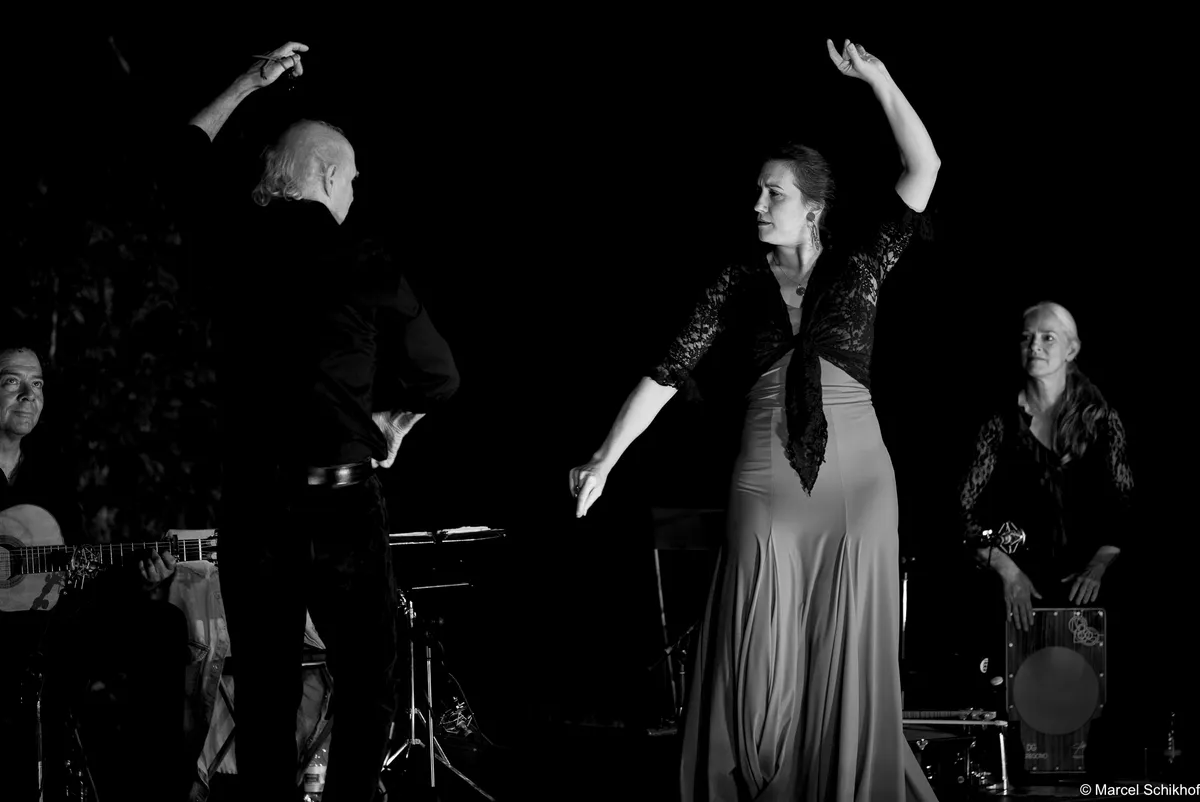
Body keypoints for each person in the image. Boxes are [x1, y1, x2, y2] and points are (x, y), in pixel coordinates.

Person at [570, 39, 940, 800]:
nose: (758, 205)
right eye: (758, 193)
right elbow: (667, 371)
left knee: (846, 640)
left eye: (774, 194)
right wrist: (605, 458)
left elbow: (924, 167)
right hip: (766, 472)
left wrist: (878, 78)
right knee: (754, 640)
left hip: (861, 478)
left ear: (814, 207)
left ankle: (841, 779)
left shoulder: (862, 262)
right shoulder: (736, 284)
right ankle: (753, 780)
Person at [170, 42, 461, 801]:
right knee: (368, 677)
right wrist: (392, 419)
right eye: (352, 179)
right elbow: (440, 377)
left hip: (253, 507)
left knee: (264, 688)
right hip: (340, 504)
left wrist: (248, 82)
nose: (355, 192)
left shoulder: (232, 241)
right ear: (327, 177)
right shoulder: (365, 258)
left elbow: (183, 154)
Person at [960, 301, 1133, 629]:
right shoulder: (998, 423)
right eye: (1026, 337)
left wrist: (1099, 565)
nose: (1034, 345)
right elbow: (962, 514)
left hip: (1089, 593)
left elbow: (1127, 511)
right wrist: (1007, 571)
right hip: (1016, 591)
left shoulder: (1102, 420)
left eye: (1048, 337)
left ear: (1072, 349)